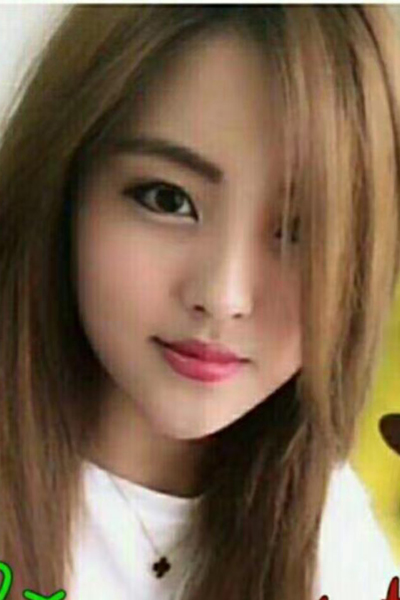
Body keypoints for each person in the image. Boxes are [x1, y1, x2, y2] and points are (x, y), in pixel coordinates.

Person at [0, 5, 399, 600]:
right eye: (167, 199)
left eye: (302, 230)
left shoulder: (340, 551)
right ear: (64, 184)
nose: (223, 297)